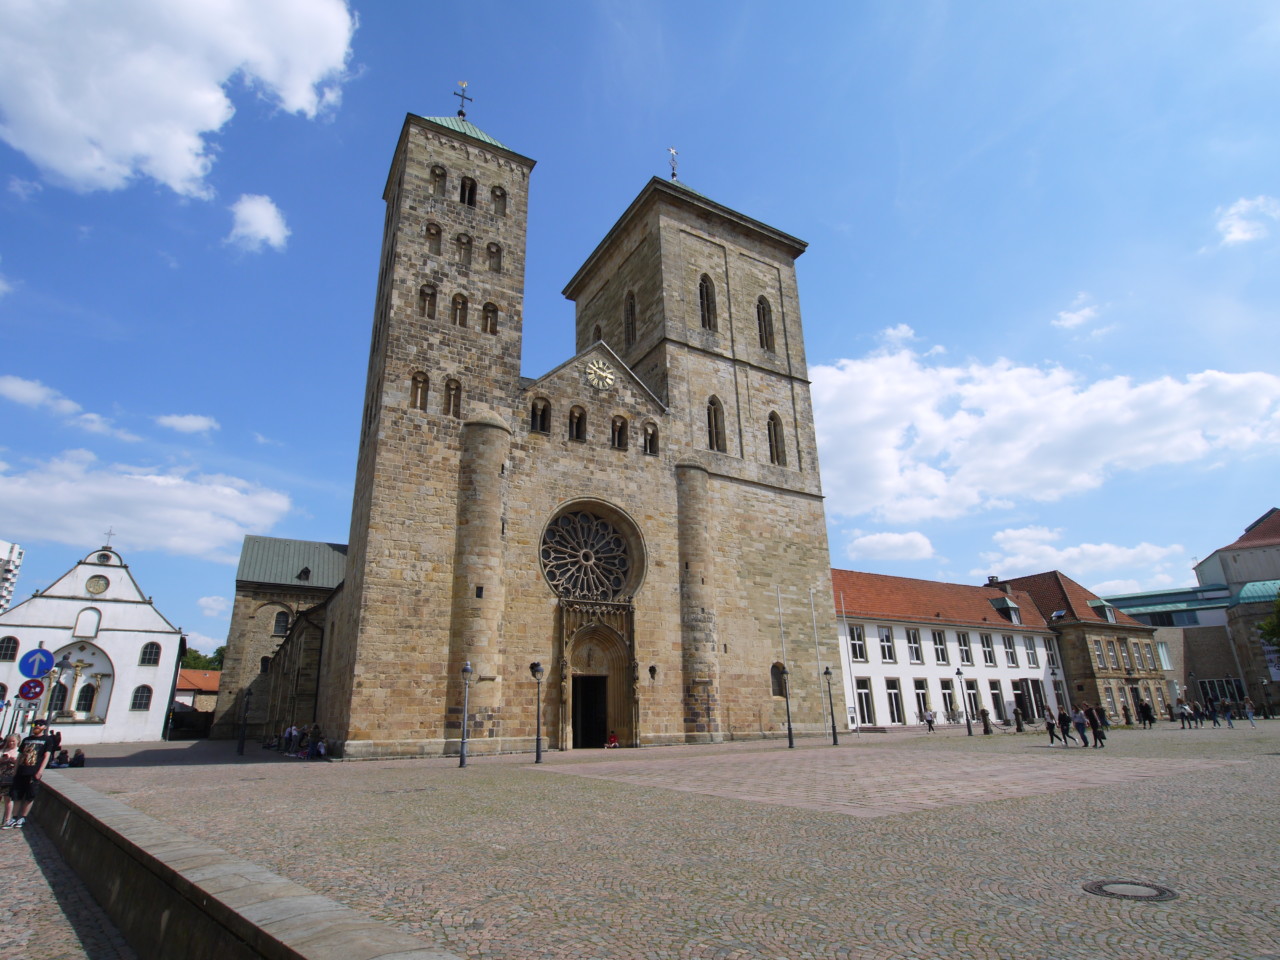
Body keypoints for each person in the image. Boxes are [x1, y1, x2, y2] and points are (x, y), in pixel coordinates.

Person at [3, 718, 56, 829]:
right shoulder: (26, 739)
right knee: (16, 795)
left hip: (33, 771)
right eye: (35, 724)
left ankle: (23, 817)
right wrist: (16, 770)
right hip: (22, 770)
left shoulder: (47, 740)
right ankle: (14, 817)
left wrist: (40, 771)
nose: (37, 726)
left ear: (44, 727)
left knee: (29, 795)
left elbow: (46, 756)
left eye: (40, 725)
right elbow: (20, 756)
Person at [0, 734, 18, 829]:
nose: (11, 743)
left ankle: (7, 820)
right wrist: (2, 759)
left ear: (17, 741)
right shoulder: (3, 750)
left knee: (8, 799)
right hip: (1, 775)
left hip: (10, 777)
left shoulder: (18, 751)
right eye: (9, 741)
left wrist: (14, 761)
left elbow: (21, 763)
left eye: (13, 741)